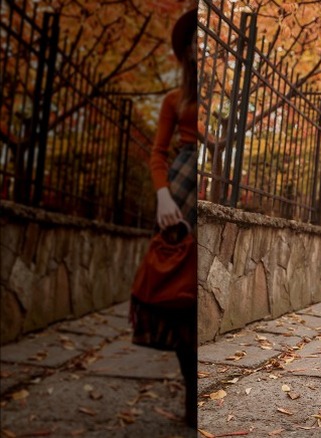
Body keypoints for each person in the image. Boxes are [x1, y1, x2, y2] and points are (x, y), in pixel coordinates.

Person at [129, 8, 198, 430]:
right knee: (175, 292)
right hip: (179, 193)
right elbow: (157, 153)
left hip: (207, 184)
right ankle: (191, 387)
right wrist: (160, 196)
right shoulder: (175, 99)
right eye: (194, 40)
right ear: (187, 50)